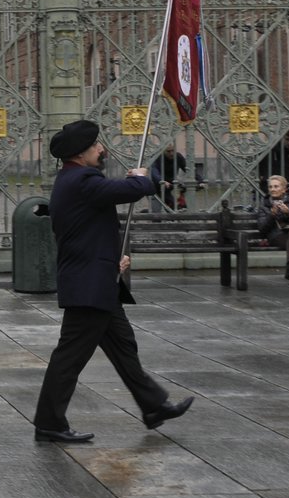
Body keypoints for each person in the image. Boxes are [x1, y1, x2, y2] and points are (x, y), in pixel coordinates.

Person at [32, 119, 193, 444]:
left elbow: (86, 232)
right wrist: (143, 177)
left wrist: (110, 259)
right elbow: (132, 191)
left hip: (97, 279)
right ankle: (49, 422)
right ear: (81, 153)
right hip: (88, 285)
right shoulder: (82, 179)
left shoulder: (72, 179)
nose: (101, 149)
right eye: (96, 146)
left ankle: (154, 406)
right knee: (70, 357)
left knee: (123, 347)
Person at [146, 142, 188, 212]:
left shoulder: (178, 157)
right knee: (158, 212)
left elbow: (189, 169)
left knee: (177, 207)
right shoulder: (157, 157)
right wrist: (162, 181)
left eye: (173, 151)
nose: (171, 153)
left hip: (169, 186)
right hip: (156, 187)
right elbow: (154, 173)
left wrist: (200, 180)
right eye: (168, 151)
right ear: (163, 151)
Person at [258, 130, 289, 196]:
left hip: (285, 185)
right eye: (287, 139)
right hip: (268, 184)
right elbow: (260, 164)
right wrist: (262, 176)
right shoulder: (270, 150)